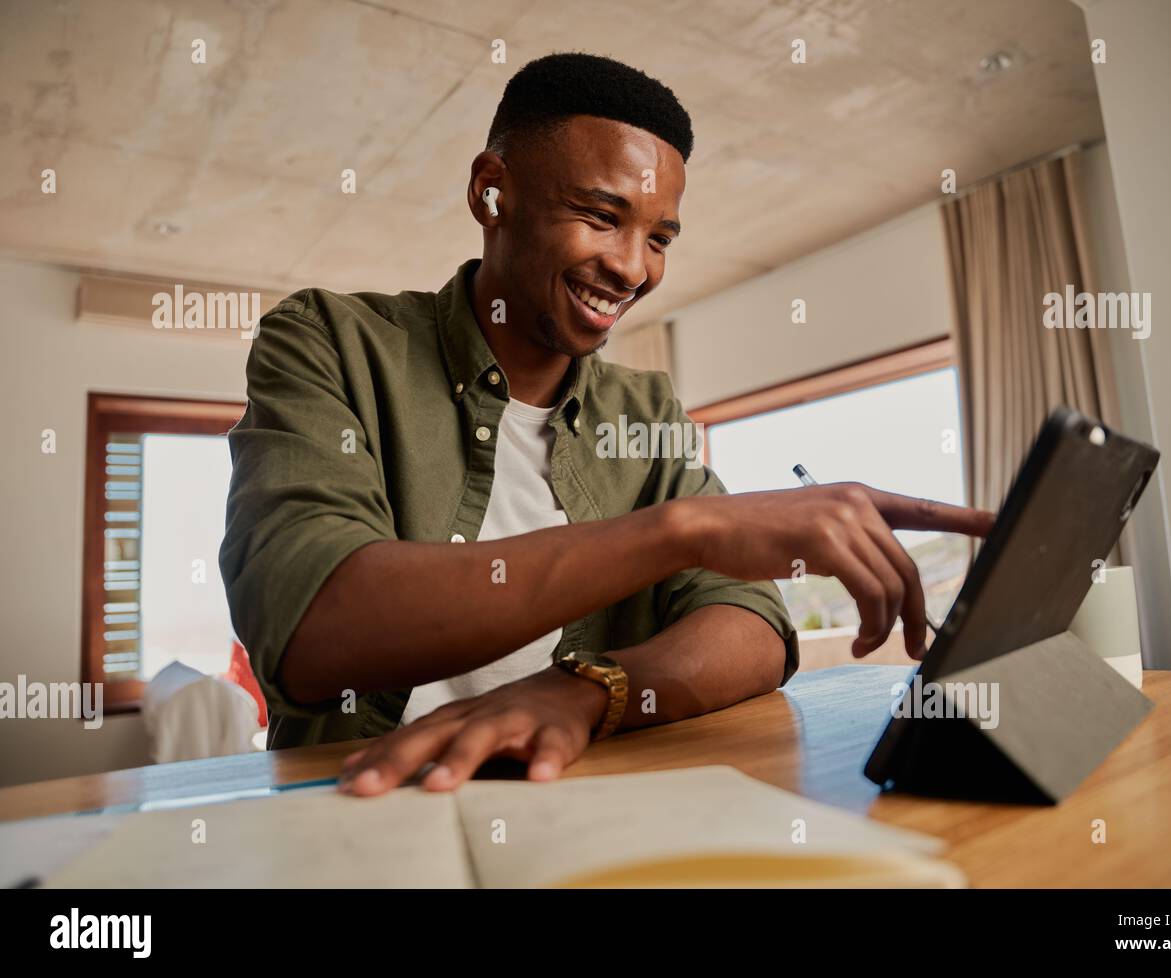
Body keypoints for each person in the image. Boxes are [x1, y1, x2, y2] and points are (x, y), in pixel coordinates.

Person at [219, 52, 994, 798]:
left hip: (581, 802)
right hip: (361, 809)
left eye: (659, 238)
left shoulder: (646, 410)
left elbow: (751, 623)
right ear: (492, 193)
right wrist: (683, 529)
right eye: (600, 216)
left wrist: (586, 692)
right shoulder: (330, 340)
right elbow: (311, 628)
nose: (631, 267)